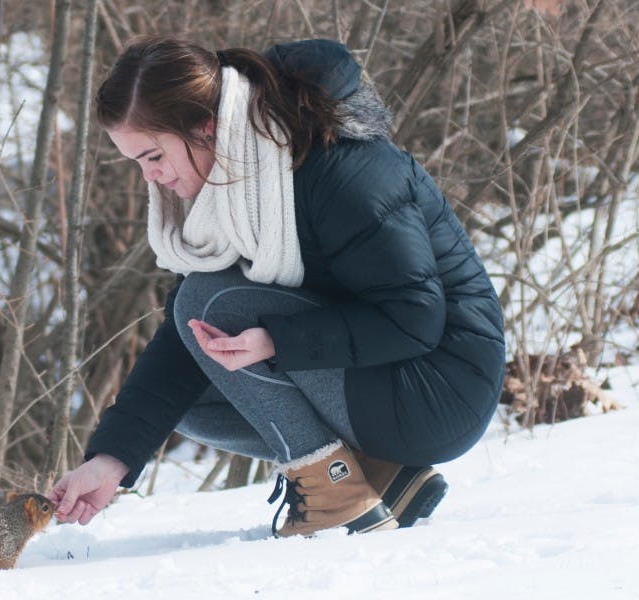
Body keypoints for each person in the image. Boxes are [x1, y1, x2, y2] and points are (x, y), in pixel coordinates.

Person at [48, 36, 505, 537]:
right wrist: (112, 458)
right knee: (195, 379)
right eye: (136, 163)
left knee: (210, 303)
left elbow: (414, 317)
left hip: (439, 387)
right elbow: (186, 340)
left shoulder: (341, 171)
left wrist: (277, 342)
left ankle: (333, 495)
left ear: (206, 126)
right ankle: (376, 477)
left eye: (153, 156)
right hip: (382, 378)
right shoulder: (235, 186)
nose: (150, 178)